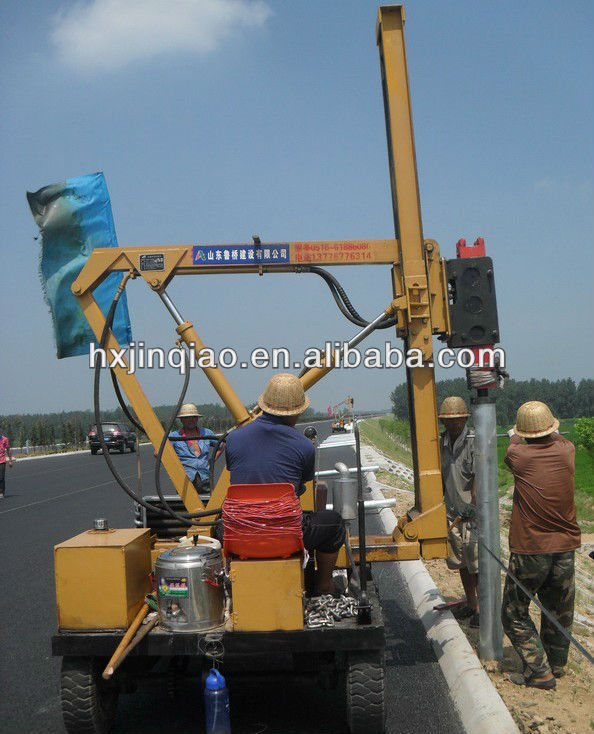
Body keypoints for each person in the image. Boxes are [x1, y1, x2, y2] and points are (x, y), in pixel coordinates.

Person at [225, 373, 345, 595]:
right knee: (334, 525)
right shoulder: (304, 446)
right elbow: (298, 488)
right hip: (285, 536)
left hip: (240, 535)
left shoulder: (233, 439)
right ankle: (323, 586)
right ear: (298, 410)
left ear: (264, 405)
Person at [502, 401, 581, 690]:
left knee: (513, 612)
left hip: (531, 548)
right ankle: (557, 666)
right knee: (558, 608)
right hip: (565, 547)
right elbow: (559, 438)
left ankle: (540, 672)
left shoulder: (518, 455)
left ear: (524, 434)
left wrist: (514, 433)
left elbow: (512, 444)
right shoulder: (567, 450)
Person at [439, 396, 479, 627]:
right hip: (452, 511)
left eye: (458, 420)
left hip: (473, 513)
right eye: (449, 420)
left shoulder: (473, 442)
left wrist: (474, 506)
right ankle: (471, 603)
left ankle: (482, 609)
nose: (453, 424)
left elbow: (479, 479)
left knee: (477, 562)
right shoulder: (441, 443)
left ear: (465, 419)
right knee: (460, 561)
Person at [169, 404, 216, 490]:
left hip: (204, 478)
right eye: (187, 418)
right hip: (184, 481)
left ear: (197, 419)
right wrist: (175, 468)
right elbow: (158, 453)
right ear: (181, 420)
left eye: (193, 417)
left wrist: (212, 459)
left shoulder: (207, 433)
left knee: (208, 502)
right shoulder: (174, 436)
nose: (191, 420)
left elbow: (221, 444)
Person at [0, 432, 14, 499]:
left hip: (2, 461)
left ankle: (1, 492)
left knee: (1, 478)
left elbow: (8, 450)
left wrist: (10, 460)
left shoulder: (5, 439)